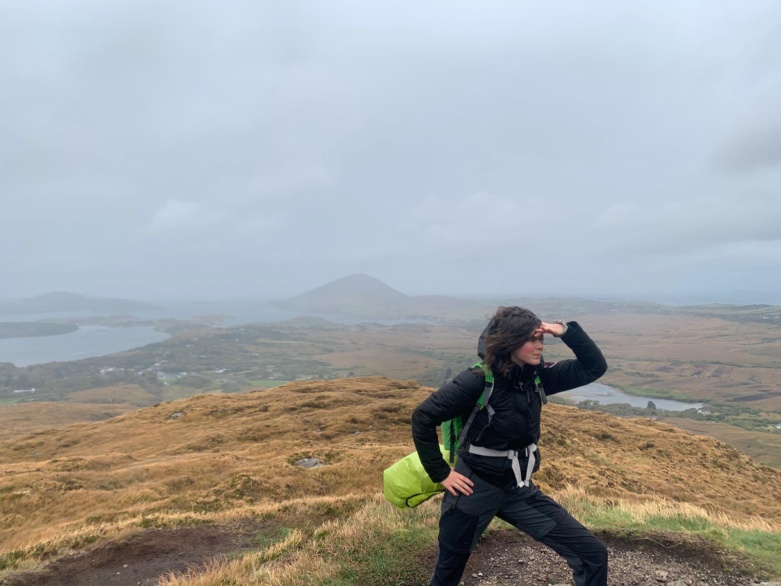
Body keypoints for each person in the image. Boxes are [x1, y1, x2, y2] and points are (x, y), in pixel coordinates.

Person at [411, 306, 609, 586]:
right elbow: (422, 417)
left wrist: (564, 330)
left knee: (592, 553)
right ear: (509, 341)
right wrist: (441, 473)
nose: (539, 345)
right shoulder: (478, 380)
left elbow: (594, 367)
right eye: (531, 339)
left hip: (518, 487)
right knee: (448, 570)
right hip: (473, 488)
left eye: (541, 338)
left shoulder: (537, 376)